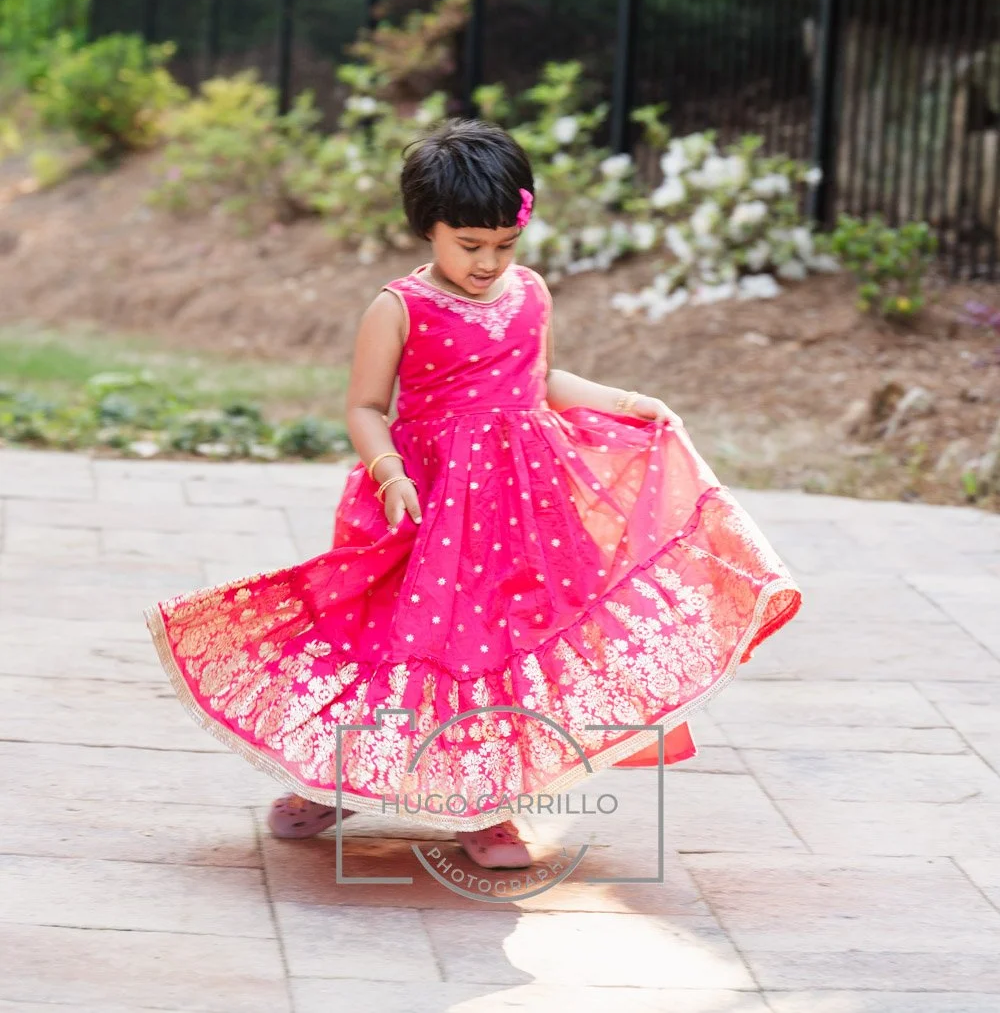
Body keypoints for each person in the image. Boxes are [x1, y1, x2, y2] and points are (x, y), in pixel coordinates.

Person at [146, 119, 801, 870]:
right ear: (429, 228)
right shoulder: (398, 307)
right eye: (470, 245)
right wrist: (390, 473)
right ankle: (333, 779)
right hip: (428, 509)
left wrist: (624, 399)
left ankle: (486, 807)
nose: (489, 263)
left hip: (524, 507)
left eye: (504, 244)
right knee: (395, 644)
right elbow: (365, 406)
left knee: (500, 645)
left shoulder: (531, 292)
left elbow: (539, 379)